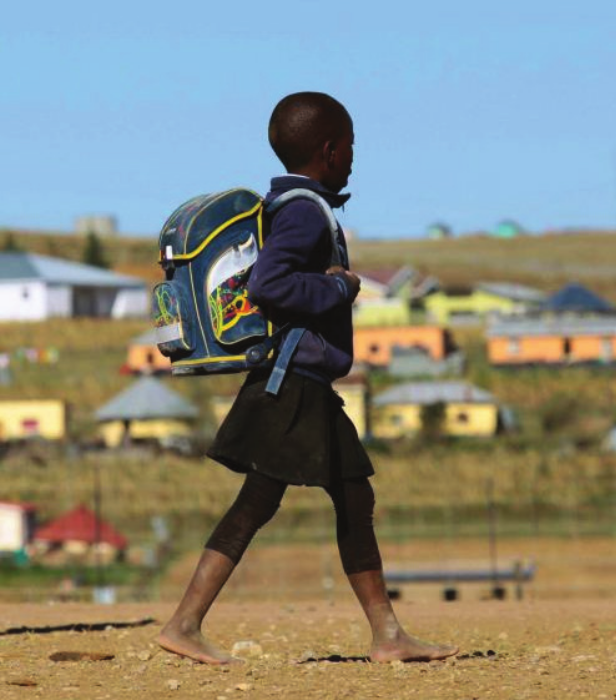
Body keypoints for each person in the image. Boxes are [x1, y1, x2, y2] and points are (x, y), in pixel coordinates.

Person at [157, 92, 458, 665]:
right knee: (275, 501)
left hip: (296, 381)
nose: (353, 157)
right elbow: (269, 286)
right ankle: (186, 624)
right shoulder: (302, 210)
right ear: (329, 150)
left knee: (339, 495)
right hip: (291, 382)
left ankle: (386, 635)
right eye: (349, 147)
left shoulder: (294, 205)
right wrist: (340, 287)